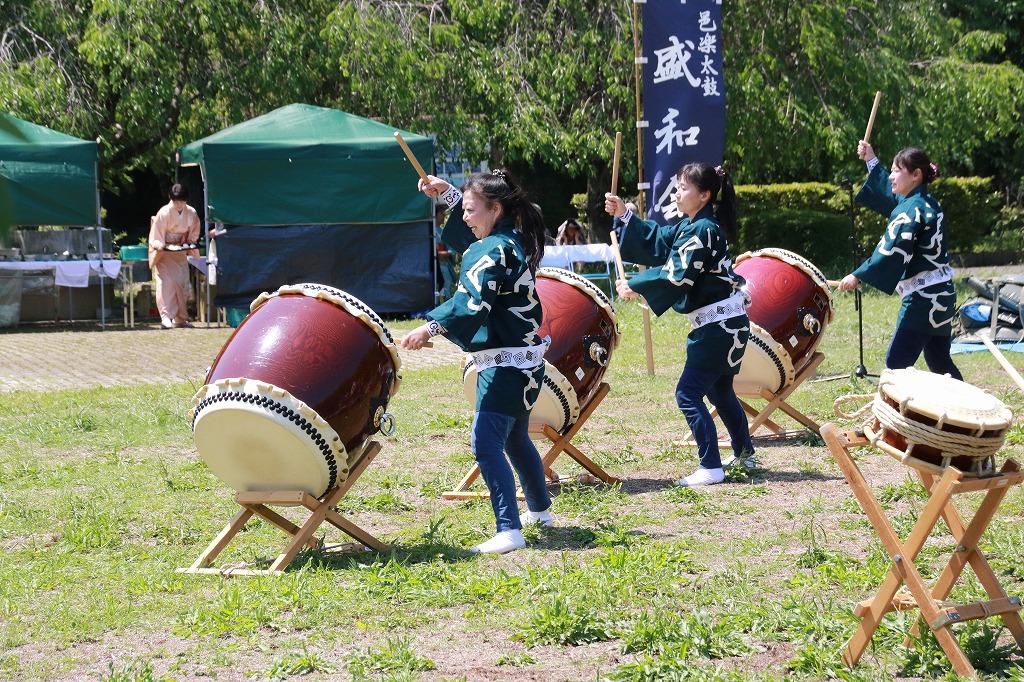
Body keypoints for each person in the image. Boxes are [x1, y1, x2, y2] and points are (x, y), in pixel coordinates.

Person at [402, 169, 554, 554]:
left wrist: (431, 327)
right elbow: (469, 236)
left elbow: (472, 302)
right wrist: (452, 194)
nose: (464, 218)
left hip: (504, 365)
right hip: (524, 360)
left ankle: (509, 529)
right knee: (516, 438)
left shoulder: (491, 250)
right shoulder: (510, 239)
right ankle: (540, 511)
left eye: (470, 210)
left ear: (496, 208)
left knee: (486, 443)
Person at [605, 163, 754, 487]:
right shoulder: (696, 225)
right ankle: (745, 453)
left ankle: (711, 466)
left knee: (688, 393)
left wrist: (637, 284)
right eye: (677, 187)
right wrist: (626, 214)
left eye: (683, 188)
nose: (677, 193)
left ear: (704, 195)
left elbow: (678, 273)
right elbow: (660, 239)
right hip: (727, 324)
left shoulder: (702, 230)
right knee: (720, 392)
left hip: (719, 327)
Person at [838, 143, 962, 380]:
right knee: (939, 360)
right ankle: (967, 408)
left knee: (897, 362)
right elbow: (893, 195)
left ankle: (909, 413)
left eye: (897, 171)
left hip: (923, 301)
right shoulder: (927, 203)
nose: (891, 177)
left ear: (916, 175)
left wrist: (859, 275)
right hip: (943, 296)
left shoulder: (910, 211)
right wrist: (871, 160)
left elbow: (892, 250)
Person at [149, 183, 200, 329]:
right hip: (164, 253)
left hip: (180, 252)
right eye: (176, 201)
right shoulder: (164, 212)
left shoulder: (191, 212)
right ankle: (166, 316)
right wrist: (158, 243)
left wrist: (191, 241)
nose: (179, 204)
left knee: (181, 282)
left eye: (182, 201)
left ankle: (180, 318)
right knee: (166, 283)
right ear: (171, 199)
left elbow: (194, 231)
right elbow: (156, 234)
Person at [434, 204, 457, 301]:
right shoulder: (425, 230)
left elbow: (451, 250)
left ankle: (446, 300)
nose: (443, 216)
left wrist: (440, 254)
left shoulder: (444, 232)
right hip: (430, 265)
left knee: (446, 283)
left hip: (442, 264)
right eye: (441, 214)